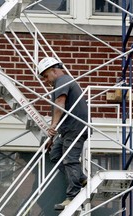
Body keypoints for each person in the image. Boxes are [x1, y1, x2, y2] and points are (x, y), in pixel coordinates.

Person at [37, 57, 89, 211]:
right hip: (67, 129)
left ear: (54, 70)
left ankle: (73, 196)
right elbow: (60, 110)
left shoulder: (63, 80)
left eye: (46, 76)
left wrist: (52, 126)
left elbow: (60, 102)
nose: (46, 81)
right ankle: (81, 178)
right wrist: (52, 137)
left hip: (75, 128)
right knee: (55, 154)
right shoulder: (60, 83)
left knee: (70, 159)